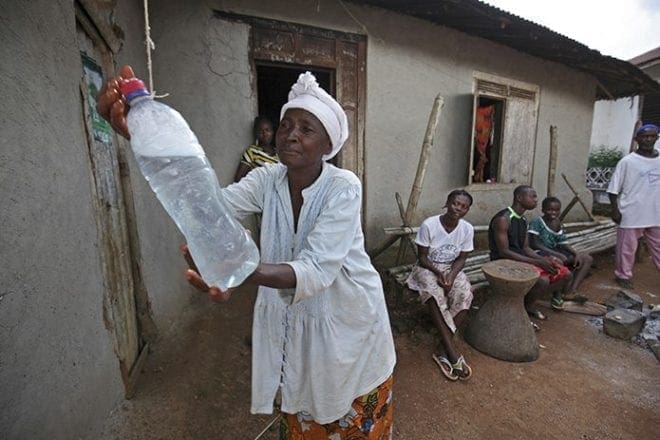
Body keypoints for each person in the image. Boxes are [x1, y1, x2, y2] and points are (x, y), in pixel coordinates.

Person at [98, 66, 396, 439]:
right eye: (287, 124)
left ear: (327, 145)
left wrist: (234, 268)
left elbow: (317, 270)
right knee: (304, 409)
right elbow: (207, 211)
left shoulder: (343, 187)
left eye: (307, 129)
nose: (290, 135)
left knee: (352, 418)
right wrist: (146, 142)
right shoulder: (266, 179)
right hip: (300, 327)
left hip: (350, 319)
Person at [405, 190, 474, 381]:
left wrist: (451, 275)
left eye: (463, 206)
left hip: (451, 269)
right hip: (427, 268)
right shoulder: (430, 225)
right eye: (455, 203)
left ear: (467, 210)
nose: (458, 209)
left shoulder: (467, 229)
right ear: (447, 203)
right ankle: (451, 353)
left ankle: (442, 348)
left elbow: (462, 258)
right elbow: (422, 257)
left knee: (465, 293)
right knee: (434, 294)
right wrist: (439, 273)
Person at [488, 185, 573, 324]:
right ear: (519, 198)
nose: (536, 200)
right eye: (532, 196)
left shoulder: (523, 220)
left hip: (520, 258)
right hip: (502, 261)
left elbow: (526, 247)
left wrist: (544, 259)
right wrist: (538, 263)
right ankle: (527, 306)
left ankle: (527, 302)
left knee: (565, 274)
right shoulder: (503, 219)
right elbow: (504, 252)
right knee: (543, 280)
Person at [607, 123, 660, 289]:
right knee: (627, 248)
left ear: (657, 138)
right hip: (631, 212)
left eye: (652, 136)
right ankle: (623, 275)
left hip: (656, 213)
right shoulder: (627, 162)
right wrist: (615, 210)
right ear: (637, 139)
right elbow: (613, 189)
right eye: (644, 137)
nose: (648, 139)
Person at [528, 196, 593, 302]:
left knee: (587, 258)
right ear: (543, 210)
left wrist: (575, 253)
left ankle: (571, 290)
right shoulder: (537, 222)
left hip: (556, 250)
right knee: (560, 260)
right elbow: (534, 244)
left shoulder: (557, 222)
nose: (553, 213)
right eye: (549, 210)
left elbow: (563, 242)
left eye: (556, 210)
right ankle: (558, 292)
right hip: (540, 253)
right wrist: (555, 254)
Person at [234, 116, 278, 182]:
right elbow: (238, 178)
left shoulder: (279, 153)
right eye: (261, 131)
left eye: (267, 130)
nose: (265, 134)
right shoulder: (252, 151)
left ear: (272, 132)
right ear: (256, 134)